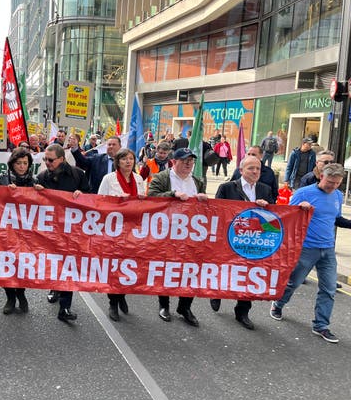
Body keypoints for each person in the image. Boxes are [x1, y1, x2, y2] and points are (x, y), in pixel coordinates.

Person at [270, 163, 351, 343]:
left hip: (328, 249)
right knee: (293, 282)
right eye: (330, 182)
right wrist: (300, 210)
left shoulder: (337, 195)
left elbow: (335, 219)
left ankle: (321, 325)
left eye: (337, 183)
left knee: (329, 289)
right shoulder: (303, 193)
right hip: (307, 248)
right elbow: (286, 217)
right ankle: (278, 304)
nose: (333, 186)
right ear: (321, 176)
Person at [211, 156, 274, 330]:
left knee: (249, 274)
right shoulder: (227, 188)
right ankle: (217, 293)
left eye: (258, 169)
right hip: (229, 239)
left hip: (252, 241)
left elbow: (274, 217)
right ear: (241, 170)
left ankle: (242, 312)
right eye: (251, 168)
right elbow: (216, 212)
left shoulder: (265, 190)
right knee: (225, 269)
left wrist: (266, 207)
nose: (255, 172)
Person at [148, 147, 208, 326]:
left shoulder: (197, 181)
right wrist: (172, 195)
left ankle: (185, 307)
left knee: (191, 270)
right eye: (184, 160)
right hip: (166, 233)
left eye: (191, 161)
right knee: (166, 269)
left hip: (190, 235)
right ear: (174, 162)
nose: (188, 164)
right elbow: (151, 198)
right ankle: (164, 305)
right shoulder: (162, 178)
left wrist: (204, 200)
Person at [35, 144, 89, 322]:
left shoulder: (78, 175)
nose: (47, 163)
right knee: (54, 262)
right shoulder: (42, 177)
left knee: (69, 266)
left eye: (50, 160)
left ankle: (65, 307)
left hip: (73, 230)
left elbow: (92, 199)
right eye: (45, 159)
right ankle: (54, 287)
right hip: (51, 230)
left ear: (61, 159)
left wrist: (82, 194)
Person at [97, 148, 146, 321]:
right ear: (118, 162)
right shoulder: (108, 179)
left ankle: (122, 294)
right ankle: (113, 302)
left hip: (132, 230)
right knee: (114, 266)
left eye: (131, 159)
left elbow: (145, 204)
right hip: (114, 229)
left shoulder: (139, 179)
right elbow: (99, 202)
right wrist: (118, 201)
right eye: (124, 159)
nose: (128, 162)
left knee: (128, 266)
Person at [0, 148, 35, 314]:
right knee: (7, 263)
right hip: (6, 230)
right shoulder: (2, 179)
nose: (22, 166)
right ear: (12, 164)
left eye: (25, 163)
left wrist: (40, 192)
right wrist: (5, 193)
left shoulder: (34, 181)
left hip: (26, 232)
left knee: (23, 264)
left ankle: (21, 294)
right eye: (19, 163)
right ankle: (10, 297)